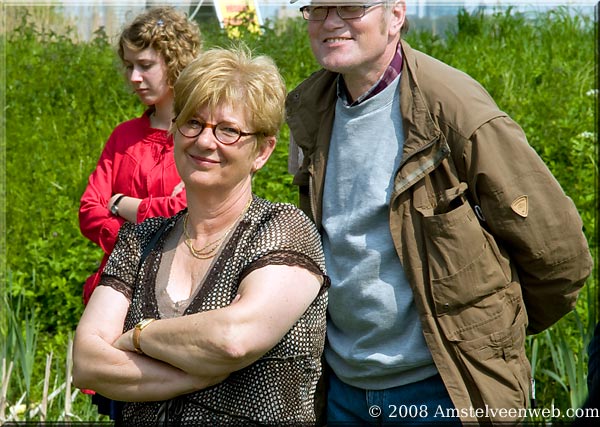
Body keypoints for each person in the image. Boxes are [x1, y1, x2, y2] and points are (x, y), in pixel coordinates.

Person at [285, 1, 593, 424]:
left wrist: (489, 338)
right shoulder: (309, 108)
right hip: (342, 388)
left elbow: (558, 253)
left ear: (395, 15)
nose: (331, 21)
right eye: (319, 8)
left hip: (444, 392)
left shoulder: (454, 107)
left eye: (351, 6)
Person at [73, 45, 329, 426]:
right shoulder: (140, 239)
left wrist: (136, 338)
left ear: (262, 150)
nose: (205, 141)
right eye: (192, 122)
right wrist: (191, 372)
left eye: (228, 130)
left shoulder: (280, 230)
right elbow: (87, 363)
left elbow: (233, 338)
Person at [79, 6, 201, 306]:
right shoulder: (123, 136)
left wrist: (120, 203)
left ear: (175, 62)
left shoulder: (202, 137)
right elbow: (88, 211)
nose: (134, 77)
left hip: (179, 292)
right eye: (129, 65)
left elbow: (188, 211)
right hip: (115, 290)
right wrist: (137, 237)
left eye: (145, 65)